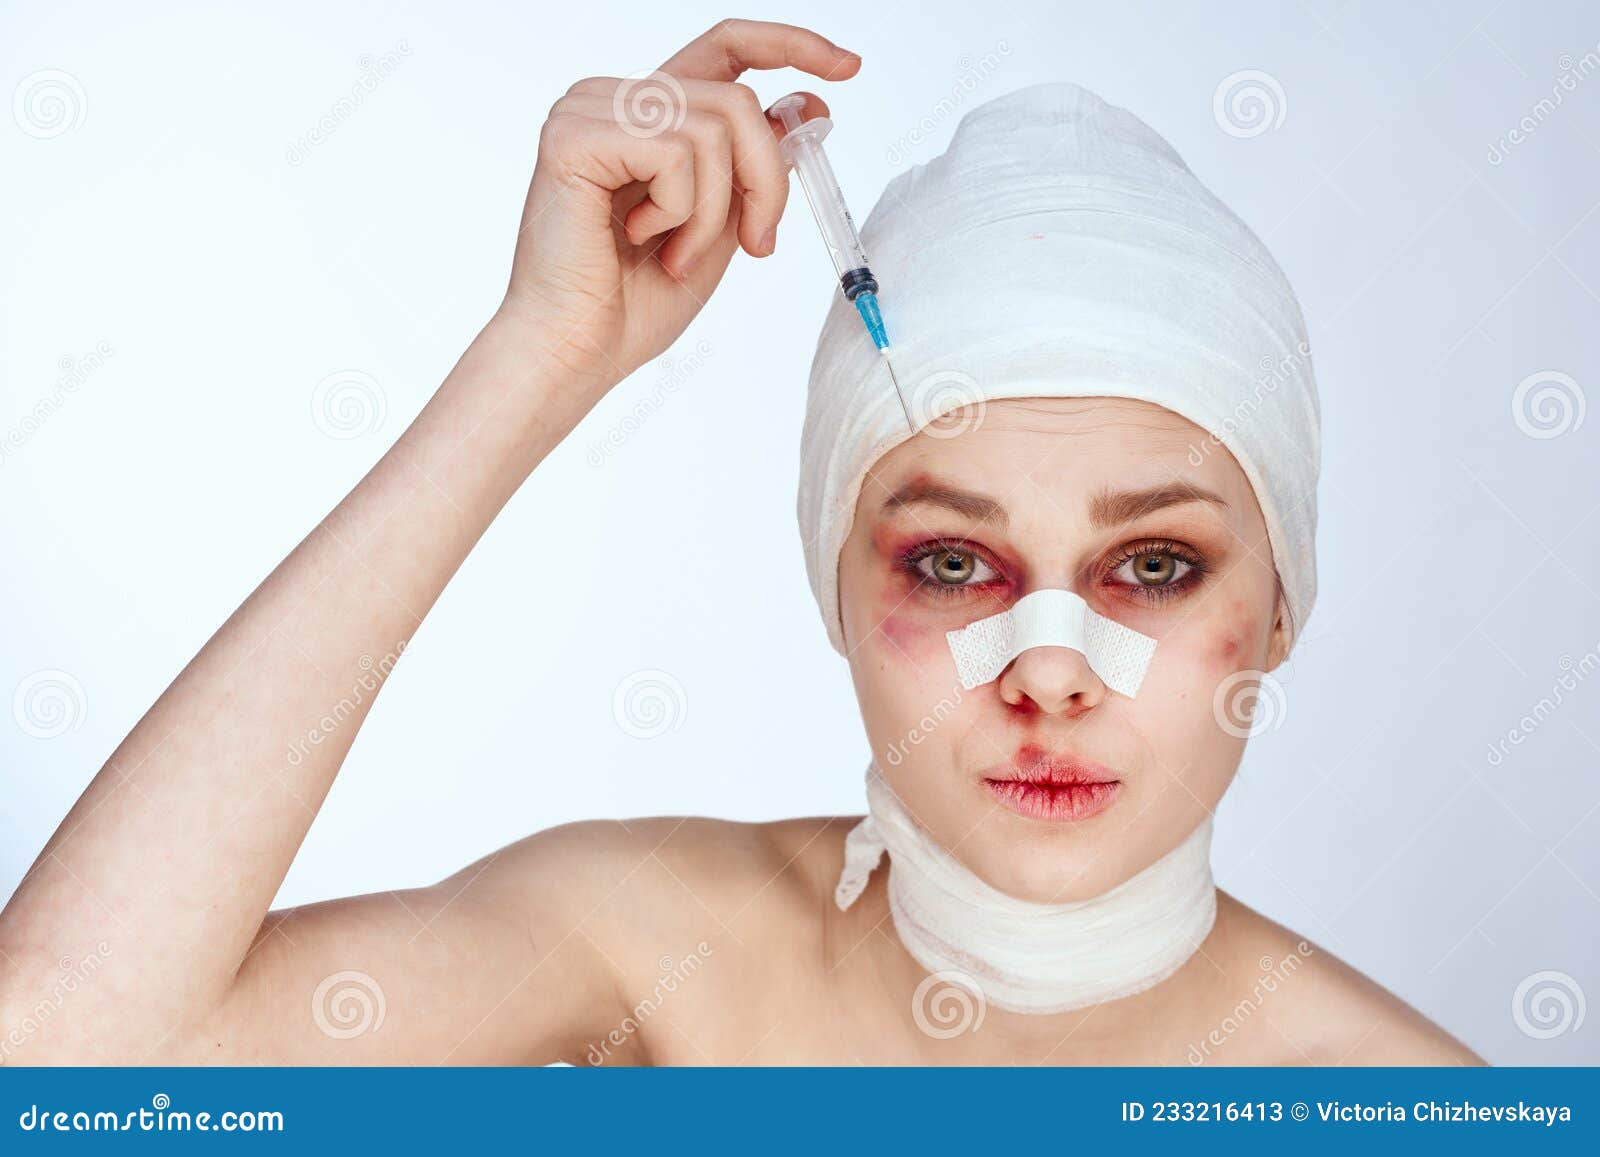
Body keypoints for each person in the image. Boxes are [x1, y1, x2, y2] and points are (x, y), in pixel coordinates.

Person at [0, 18, 1483, 1066]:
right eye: (950, 562)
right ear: (833, 584)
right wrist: (543, 356)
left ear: (1281, 602)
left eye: (1153, 564)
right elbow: (59, 1063)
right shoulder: (656, 952)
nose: (1049, 671)